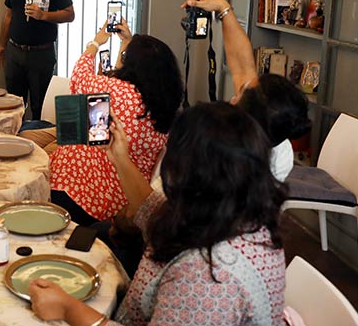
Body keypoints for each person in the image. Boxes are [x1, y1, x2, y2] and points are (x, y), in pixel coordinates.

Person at [29, 103, 288, 325]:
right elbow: (149, 207)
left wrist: (68, 308)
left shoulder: (209, 279)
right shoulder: (239, 215)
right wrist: (119, 156)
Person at [49, 19, 183, 225]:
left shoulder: (118, 91)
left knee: (37, 145)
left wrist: (96, 43)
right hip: (127, 196)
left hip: (84, 190)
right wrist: (125, 43)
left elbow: (78, 79)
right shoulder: (165, 103)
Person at [181, 0, 311, 181]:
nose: (233, 98)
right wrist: (223, 8)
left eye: (239, 94)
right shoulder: (280, 149)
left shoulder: (219, 154)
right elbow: (243, 69)